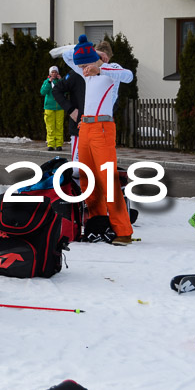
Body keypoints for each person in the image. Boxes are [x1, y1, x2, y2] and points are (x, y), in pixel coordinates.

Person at [62, 34, 134, 246]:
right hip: (85, 126)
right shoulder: (84, 70)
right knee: (86, 178)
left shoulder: (111, 70)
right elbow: (67, 56)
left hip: (103, 127)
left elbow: (129, 76)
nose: (83, 66)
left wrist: (101, 66)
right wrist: (89, 53)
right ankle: (97, 223)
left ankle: (123, 231)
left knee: (108, 180)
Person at [52, 68, 86, 183]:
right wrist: (71, 110)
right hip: (79, 128)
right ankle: (77, 196)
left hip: (98, 129)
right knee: (77, 169)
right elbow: (56, 90)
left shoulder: (105, 74)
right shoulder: (76, 73)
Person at [40, 66, 65, 151]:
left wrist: (61, 81)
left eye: (55, 72)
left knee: (59, 126)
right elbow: (43, 92)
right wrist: (48, 82)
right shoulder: (47, 82)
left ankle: (58, 144)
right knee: (50, 127)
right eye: (52, 72)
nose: (54, 74)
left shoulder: (60, 82)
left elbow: (65, 90)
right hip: (49, 107)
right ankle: (50, 144)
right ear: (49, 74)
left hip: (59, 107)